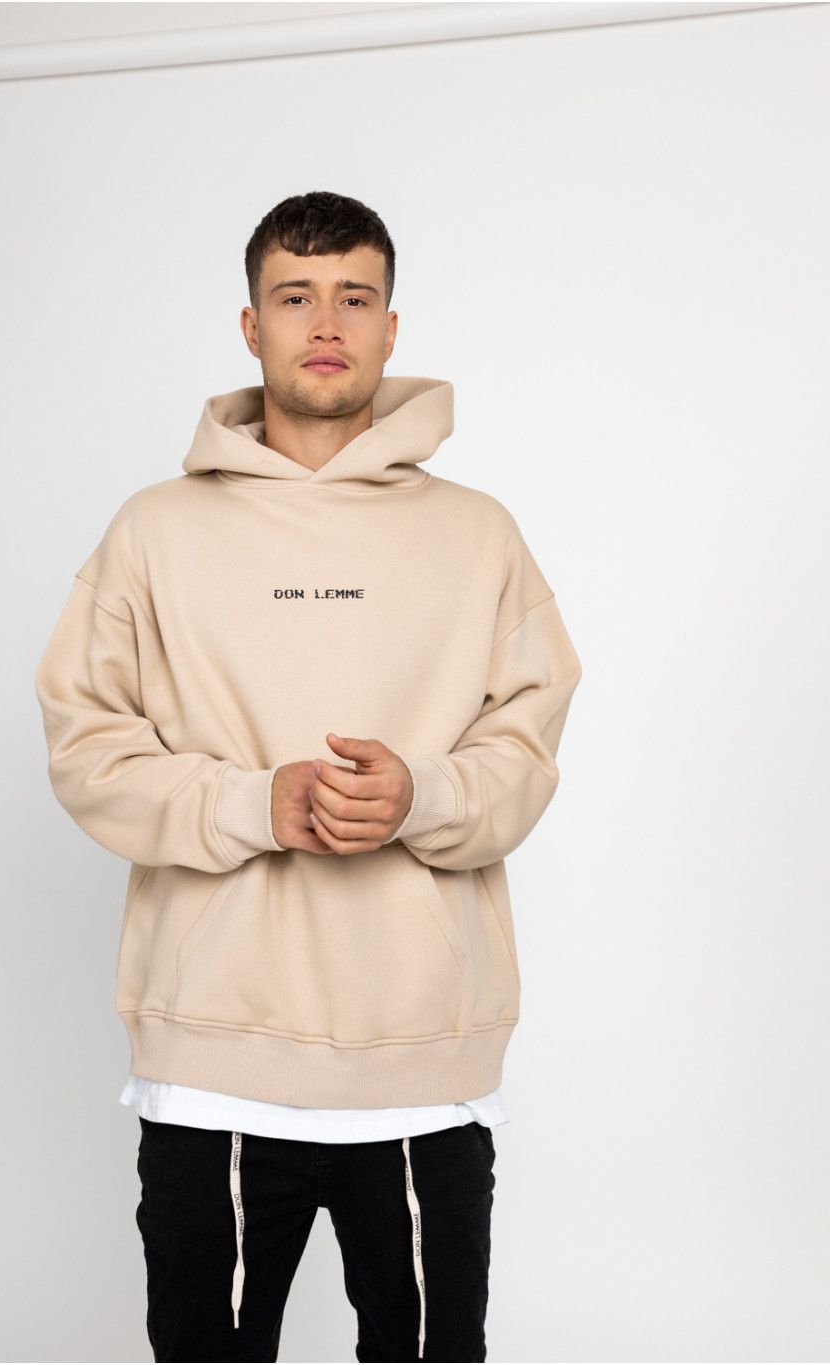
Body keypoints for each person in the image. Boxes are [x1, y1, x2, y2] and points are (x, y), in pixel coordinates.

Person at [34, 190, 583, 1363]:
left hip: (421, 1067)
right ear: (250, 325)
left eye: (354, 297)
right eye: (294, 296)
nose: (325, 322)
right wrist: (252, 803)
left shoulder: (479, 534)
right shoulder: (152, 531)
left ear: (390, 327)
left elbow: (526, 753)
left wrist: (424, 795)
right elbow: (86, 747)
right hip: (211, 1071)